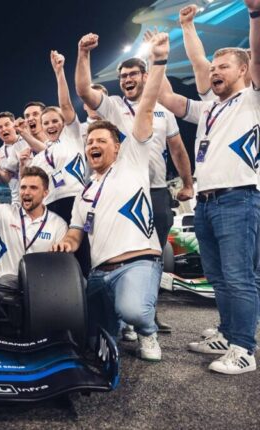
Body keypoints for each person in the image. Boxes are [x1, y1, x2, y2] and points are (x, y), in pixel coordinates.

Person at [155, 1, 260, 374]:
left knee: (239, 277)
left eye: (223, 67)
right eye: (213, 68)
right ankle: (228, 333)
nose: (213, 72)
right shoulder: (209, 108)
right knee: (217, 277)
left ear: (244, 71)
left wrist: (255, 15)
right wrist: (181, 34)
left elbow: (256, 56)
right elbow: (169, 95)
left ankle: (244, 348)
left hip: (240, 198)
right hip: (207, 202)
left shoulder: (253, 100)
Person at [53, 31, 170, 362]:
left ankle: (147, 330)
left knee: (131, 310)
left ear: (118, 146)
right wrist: (67, 243)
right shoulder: (86, 190)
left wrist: (158, 60)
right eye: (90, 142)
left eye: (101, 140)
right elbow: (77, 231)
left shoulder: (133, 160)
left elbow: (146, 108)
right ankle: (118, 323)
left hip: (138, 262)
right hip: (100, 273)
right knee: (89, 339)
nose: (93, 145)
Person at [75, 31, 195, 333]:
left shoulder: (163, 111)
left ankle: (147, 315)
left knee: (150, 256)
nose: (127, 79)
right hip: (123, 190)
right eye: (123, 75)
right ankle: (123, 314)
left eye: (132, 74)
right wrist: (84, 55)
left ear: (144, 76)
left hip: (155, 190)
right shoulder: (113, 106)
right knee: (117, 250)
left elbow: (178, 149)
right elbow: (85, 91)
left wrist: (188, 183)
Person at [17, 50, 91, 275]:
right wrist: (23, 163)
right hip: (52, 206)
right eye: (45, 122)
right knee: (59, 252)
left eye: (54, 121)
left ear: (63, 122)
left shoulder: (73, 136)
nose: (50, 125)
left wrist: (59, 72)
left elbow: (66, 106)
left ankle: (88, 291)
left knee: (84, 251)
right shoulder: (41, 154)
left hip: (76, 200)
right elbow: (27, 181)